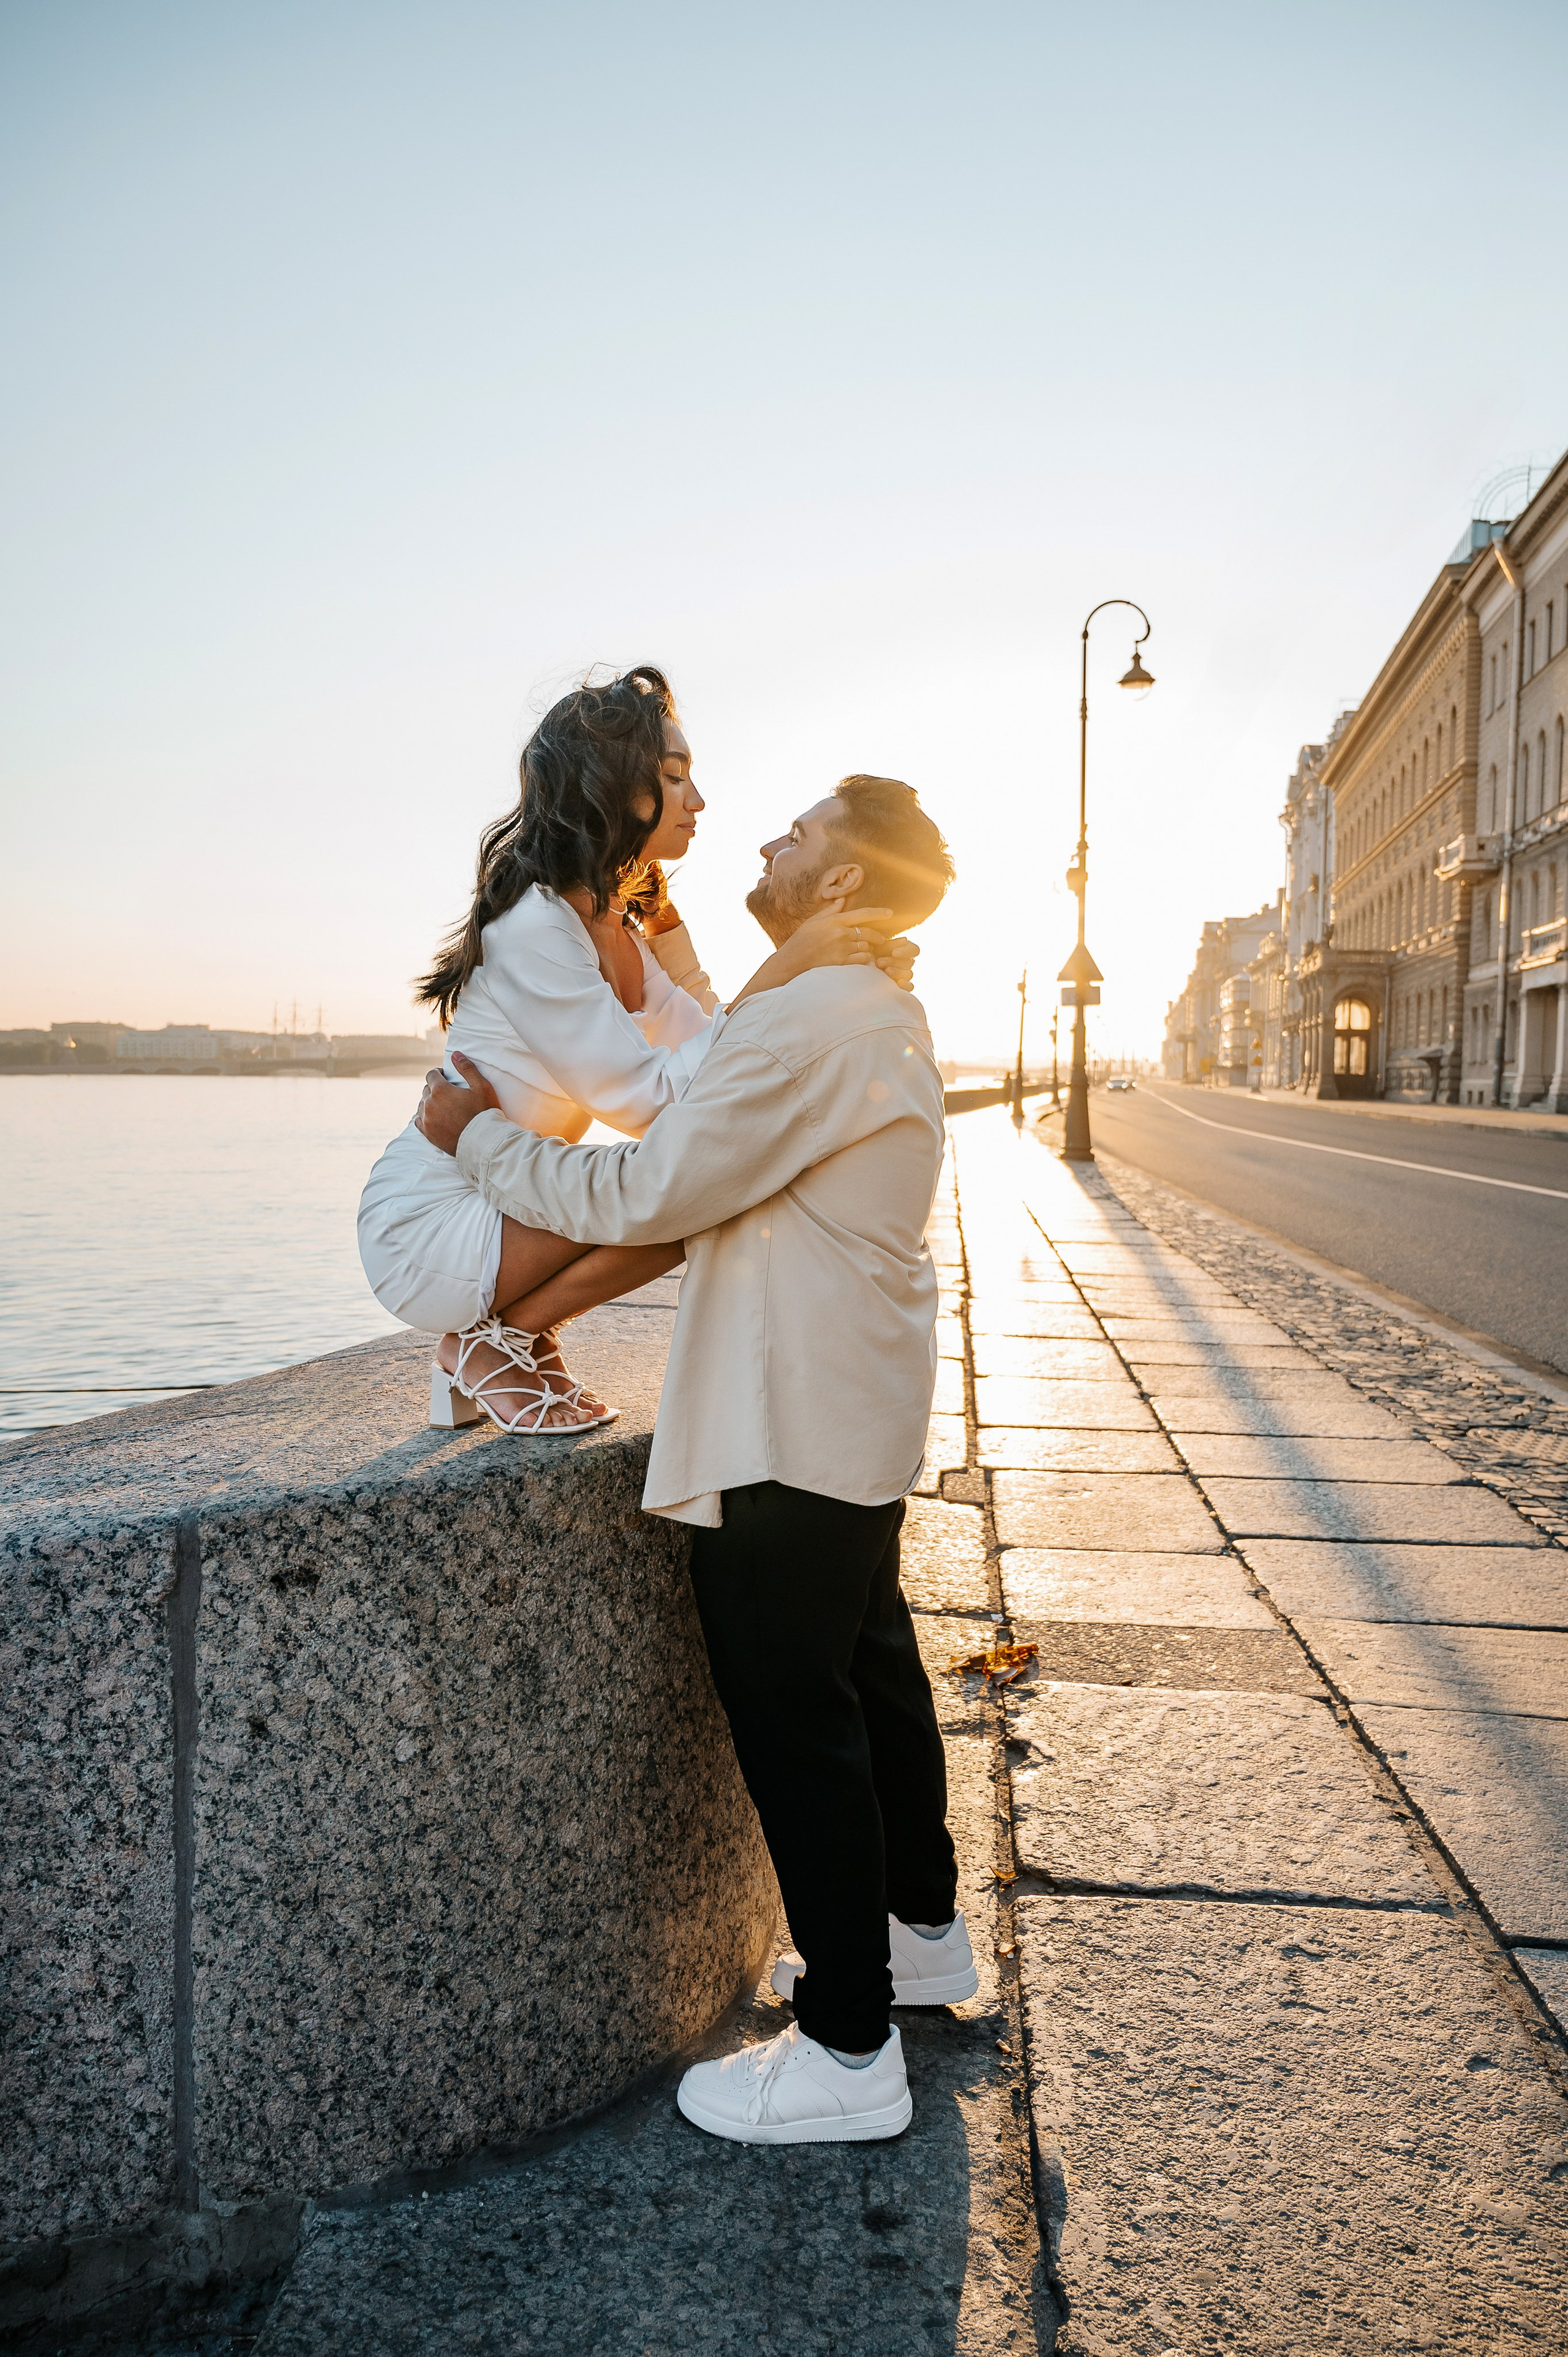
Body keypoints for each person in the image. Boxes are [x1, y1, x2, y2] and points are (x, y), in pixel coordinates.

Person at [416, 772, 978, 2147]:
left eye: (800, 836)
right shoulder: (855, 1005)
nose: (768, 839)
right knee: (870, 1673)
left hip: (789, 1410)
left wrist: (475, 1136)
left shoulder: (823, 1018)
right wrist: (670, 961)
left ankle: (849, 2050)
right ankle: (917, 1941)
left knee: (800, 1716)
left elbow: (659, 1183)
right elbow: (728, 1073)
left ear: (842, 884)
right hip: (847, 1394)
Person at [357, 666, 910, 1435]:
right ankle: (498, 1340)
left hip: (503, 1187)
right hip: (433, 1220)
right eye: (675, 777)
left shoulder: (612, 924)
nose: (699, 799)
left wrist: (794, 969)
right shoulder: (533, 926)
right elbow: (655, 1102)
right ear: (609, 788)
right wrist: (787, 966)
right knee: (703, 1190)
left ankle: (509, 1336)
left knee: (711, 1181)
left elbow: (710, 1058)